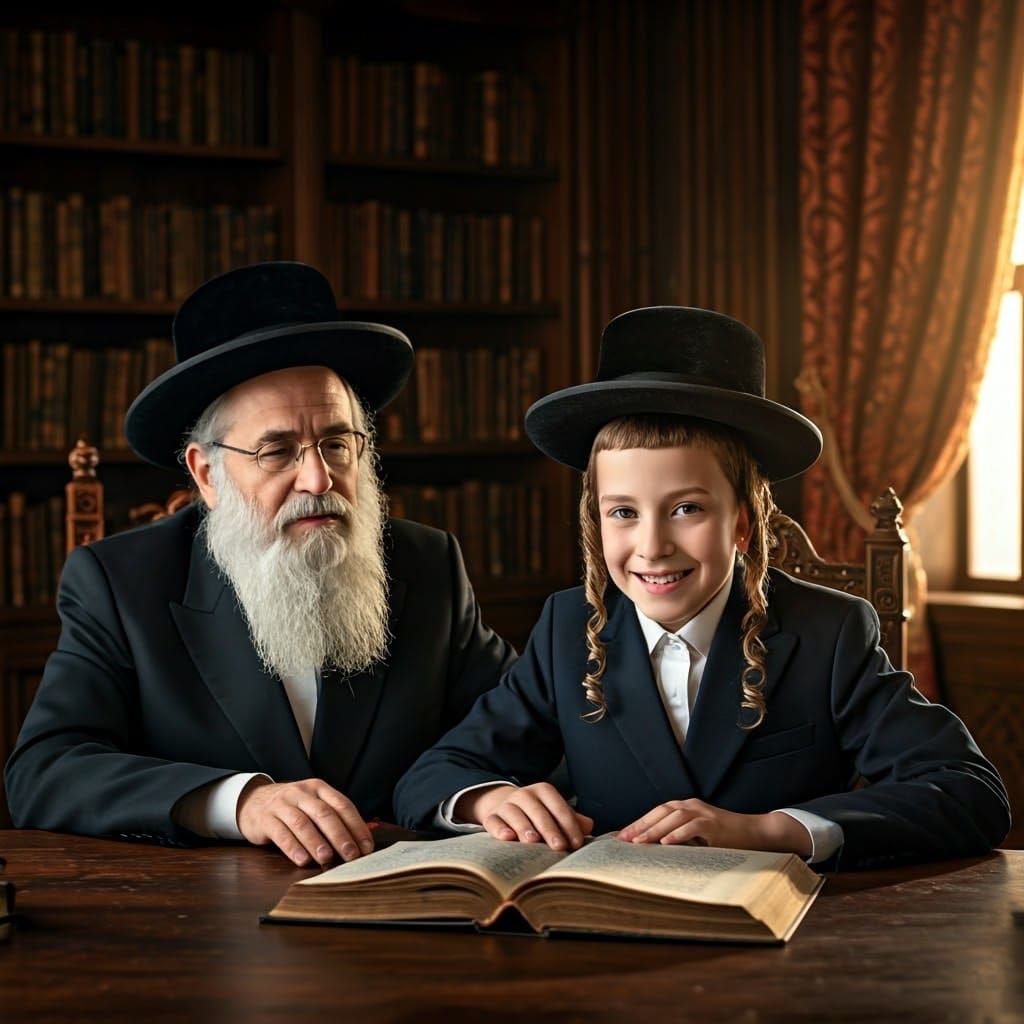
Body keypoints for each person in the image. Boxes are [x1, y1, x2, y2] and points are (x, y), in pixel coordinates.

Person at [394, 306, 1011, 870]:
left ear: (742, 520)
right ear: (595, 520)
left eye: (686, 509)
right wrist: (486, 800)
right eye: (624, 513)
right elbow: (431, 775)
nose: (653, 546)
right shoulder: (567, 629)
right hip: (605, 934)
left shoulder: (828, 633)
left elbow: (968, 793)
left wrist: (772, 831)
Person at [5, 261, 516, 867]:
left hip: (409, 922)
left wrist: (480, 795)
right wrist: (237, 802)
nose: (319, 478)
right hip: (205, 932)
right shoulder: (117, 583)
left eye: (336, 442)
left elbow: (520, 727)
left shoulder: (427, 563)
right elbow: (46, 771)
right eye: (277, 451)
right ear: (206, 474)